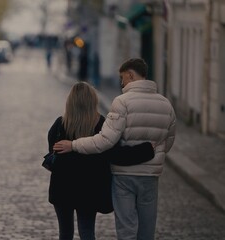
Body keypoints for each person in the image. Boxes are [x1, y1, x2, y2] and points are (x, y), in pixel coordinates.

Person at [53, 58, 176, 240]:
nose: (121, 83)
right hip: (151, 174)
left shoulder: (122, 102)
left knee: (126, 229)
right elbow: (169, 140)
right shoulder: (166, 104)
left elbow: (106, 141)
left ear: (131, 75)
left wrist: (73, 145)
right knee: (147, 227)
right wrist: (152, 154)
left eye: (123, 78)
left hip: (123, 175)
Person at [47, 82, 155, 240]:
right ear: (93, 101)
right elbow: (116, 154)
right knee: (87, 232)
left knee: (65, 233)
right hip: (89, 189)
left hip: (62, 188)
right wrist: (146, 150)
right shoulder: (101, 125)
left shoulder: (59, 125)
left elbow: (52, 151)